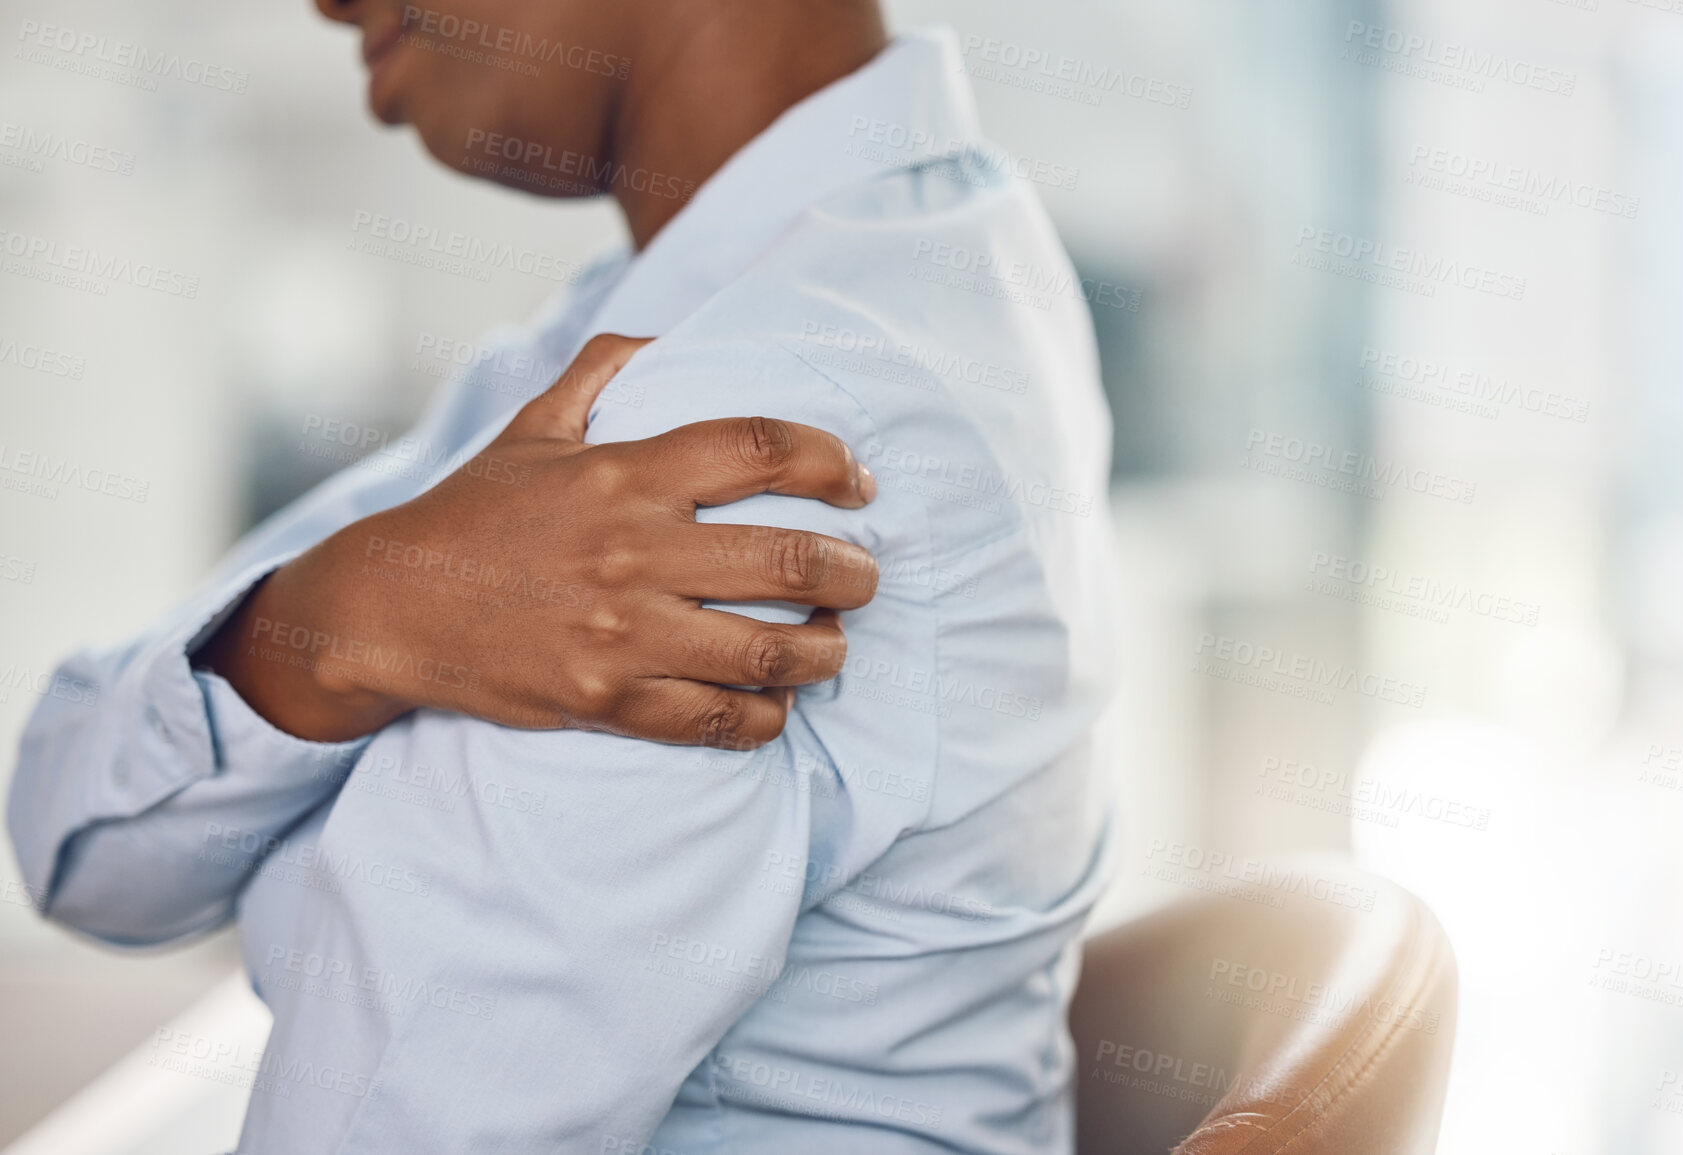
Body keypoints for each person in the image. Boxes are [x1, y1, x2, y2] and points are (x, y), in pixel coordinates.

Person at [7, 0, 1118, 1150]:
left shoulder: (722, 411)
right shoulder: (923, 243)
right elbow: (82, 840)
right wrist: (336, 623)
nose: (322, 3)